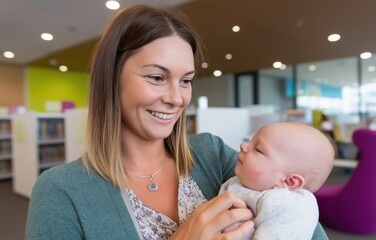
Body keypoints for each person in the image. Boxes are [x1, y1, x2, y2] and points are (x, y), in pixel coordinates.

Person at [26, 5, 328, 240]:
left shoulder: (213, 155)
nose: (176, 98)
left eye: (186, 81)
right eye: (157, 78)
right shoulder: (61, 192)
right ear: (111, 78)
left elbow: (299, 220)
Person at [219, 122, 334, 239]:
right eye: (251, 140)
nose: (243, 145)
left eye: (258, 149)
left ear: (289, 181)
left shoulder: (288, 206)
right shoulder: (242, 181)